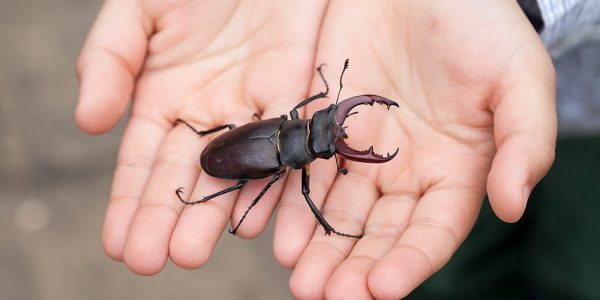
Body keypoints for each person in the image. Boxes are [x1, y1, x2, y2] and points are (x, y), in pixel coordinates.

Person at [76, 1, 561, 298]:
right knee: (257, 184)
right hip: (229, 154)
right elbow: (291, 192)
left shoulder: (290, 126)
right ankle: (206, 193)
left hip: (245, 145)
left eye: (327, 136)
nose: (333, 134)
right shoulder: (282, 157)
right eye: (327, 134)